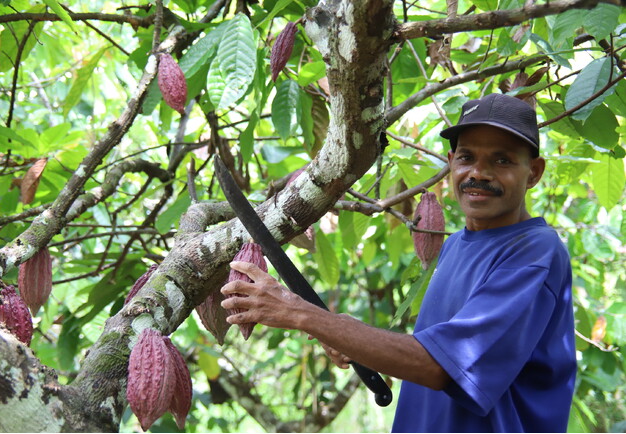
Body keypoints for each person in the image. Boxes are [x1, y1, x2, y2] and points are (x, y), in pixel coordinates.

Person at [220, 93, 577, 432]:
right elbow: (434, 350)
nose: (478, 173)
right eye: (467, 157)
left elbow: (442, 367)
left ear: (534, 172)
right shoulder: (455, 245)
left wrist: (300, 313)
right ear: (451, 163)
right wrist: (336, 328)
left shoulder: (534, 254)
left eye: (502, 160)